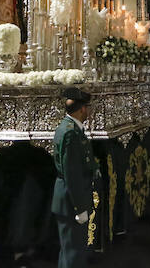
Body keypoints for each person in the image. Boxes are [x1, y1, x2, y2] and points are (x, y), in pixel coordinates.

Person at [51, 87, 99, 268]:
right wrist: (79, 207)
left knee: (70, 249)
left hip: (68, 199)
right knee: (73, 252)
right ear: (82, 109)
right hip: (70, 202)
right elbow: (72, 174)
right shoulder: (70, 132)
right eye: (88, 107)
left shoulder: (69, 128)